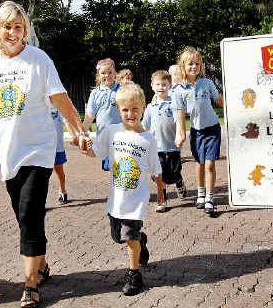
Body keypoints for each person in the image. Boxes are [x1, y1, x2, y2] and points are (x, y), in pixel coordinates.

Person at [0, 2, 88, 306]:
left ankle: (31, 283)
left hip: (38, 150)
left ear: (25, 31)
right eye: (7, 26)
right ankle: (42, 265)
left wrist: (78, 129)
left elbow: (60, 97)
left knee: (30, 212)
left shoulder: (38, 59)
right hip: (8, 154)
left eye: (18, 27)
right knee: (24, 216)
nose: (13, 32)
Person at [83, 83, 164, 296]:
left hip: (136, 200)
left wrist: (161, 190)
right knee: (118, 236)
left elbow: (156, 169)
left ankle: (134, 274)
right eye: (125, 109)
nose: (130, 114)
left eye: (135, 109)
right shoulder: (112, 132)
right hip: (116, 199)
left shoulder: (147, 139)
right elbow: (98, 153)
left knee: (129, 236)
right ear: (119, 110)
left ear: (143, 108)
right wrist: (85, 148)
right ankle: (141, 241)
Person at [172, 46, 224, 216]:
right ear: (183, 66)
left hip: (213, 129)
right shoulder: (179, 90)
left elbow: (219, 100)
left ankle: (210, 197)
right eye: (190, 64)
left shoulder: (207, 83)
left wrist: (236, 105)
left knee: (209, 164)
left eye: (197, 64)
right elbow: (179, 112)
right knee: (200, 163)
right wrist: (181, 133)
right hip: (197, 132)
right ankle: (200, 193)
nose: (194, 67)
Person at [142, 70, 187, 213]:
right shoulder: (150, 107)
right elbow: (145, 125)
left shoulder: (173, 104)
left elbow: (179, 122)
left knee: (174, 173)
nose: (161, 87)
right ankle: (162, 199)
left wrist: (180, 135)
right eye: (158, 84)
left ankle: (179, 182)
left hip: (172, 147)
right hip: (157, 148)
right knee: (159, 175)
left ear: (169, 86)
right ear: (152, 86)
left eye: (164, 84)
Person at [83, 58, 123, 171]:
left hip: (121, 137)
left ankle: (121, 188)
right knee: (110, 168)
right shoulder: (95, 93)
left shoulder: (122, 90)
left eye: (110, 72)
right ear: (98, 75)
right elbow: (89, 116)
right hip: (104, 138)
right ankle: (117, 188)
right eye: (103, 73)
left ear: (115, 72)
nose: (107, 75)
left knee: (121, 167)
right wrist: (82, 132)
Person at [50, 106, 76, 204]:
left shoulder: (57, 107)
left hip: (57, 147)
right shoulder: (37, 104)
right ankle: (39, 199)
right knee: (40, 174)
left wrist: (73, 136)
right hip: (42, 148)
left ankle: (62, 191)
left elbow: (66, 122)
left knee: (59, 171)